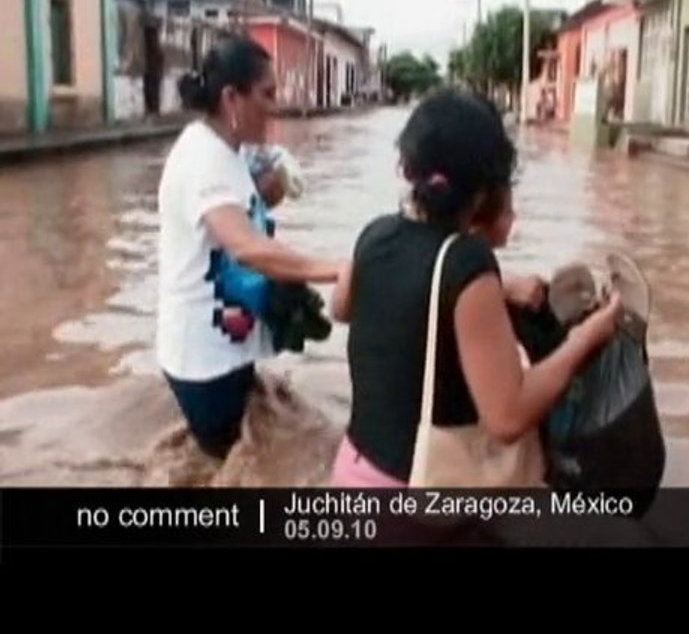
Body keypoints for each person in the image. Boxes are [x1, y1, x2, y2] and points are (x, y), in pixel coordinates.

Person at [328, 88, 621, 487]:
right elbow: (508, 417)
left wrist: (500, 288)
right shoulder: (467, 263)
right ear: (487, 191)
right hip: (411, 500)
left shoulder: (375, 235)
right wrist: (586, 337)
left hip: (352, 471)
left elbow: (341, 308)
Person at [156, 34, 345, 458]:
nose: (275, 105)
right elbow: (245, 246)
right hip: (204, 360)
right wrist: (337, 268)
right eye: (267, 94)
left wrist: (273, 185)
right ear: (231, 99)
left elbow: (240, 207)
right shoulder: (204, 159)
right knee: (233, 468)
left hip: (221, 345)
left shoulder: (227, 149)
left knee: (238, 453)